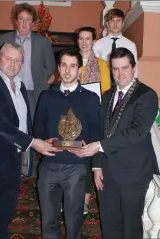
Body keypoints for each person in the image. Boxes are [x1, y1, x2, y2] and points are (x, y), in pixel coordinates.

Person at [0, 43, 60, 239]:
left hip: (12, 161)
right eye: (8, 59)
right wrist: (33, 142)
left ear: (22, 64)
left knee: (4, 215)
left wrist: (41, 139)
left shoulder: (19, 85)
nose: (12, 64)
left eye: (17, 60)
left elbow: (23, 122)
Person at [69, 47, 159, 239]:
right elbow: (102, 131)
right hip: (107, 171)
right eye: (115, 69)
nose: (120, 73)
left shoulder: (147, 95)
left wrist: (98, 147)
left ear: (134, 68)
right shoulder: (108, 95)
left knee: (130, 226)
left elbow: (137, 132)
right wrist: (97, 165)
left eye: (124, 68)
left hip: (133, 172)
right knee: (109, 224)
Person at [34, 49, 102, 239]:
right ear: (58, 67)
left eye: (73, 66)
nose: (67, 70)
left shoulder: (91, 99)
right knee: (48, 221)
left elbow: (97, 136)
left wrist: (92, 160)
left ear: (79, 69)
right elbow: (37, 129)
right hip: (49, 164)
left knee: (73, 223)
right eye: (63, 65)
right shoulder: (46, 96)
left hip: (76, 166)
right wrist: (43, 140)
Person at [0, 2, 56, 183]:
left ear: (33, 23)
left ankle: (30, 170)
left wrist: (42, 84)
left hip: (34, 94)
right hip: (9, 91)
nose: (24, 23)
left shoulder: (42, 43)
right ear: (15, 21)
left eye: (28, 20)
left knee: (33, 130)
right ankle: (9, 165)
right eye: (21, 19)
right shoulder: (4, 39)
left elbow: (51, 68)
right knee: (10, 127)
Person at [77, 26, 111, 214]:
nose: (84, 42)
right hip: (75, 113)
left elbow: (105, 92)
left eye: (88, 38)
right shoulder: (71, 61)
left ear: (93, 41)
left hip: (95, 113)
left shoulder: (102, 64)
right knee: (76, 152)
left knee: (91, 155)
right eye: (81, 39)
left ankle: (85, 199)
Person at [93, 8, 138, 81]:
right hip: (103, 83)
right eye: (112, 21)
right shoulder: (98, 45)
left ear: (123, 23)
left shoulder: (130, 45)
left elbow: (135, 70)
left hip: (124, 82)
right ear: (107, 23)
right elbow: (94, 68)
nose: (115, 24)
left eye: (118, 21)